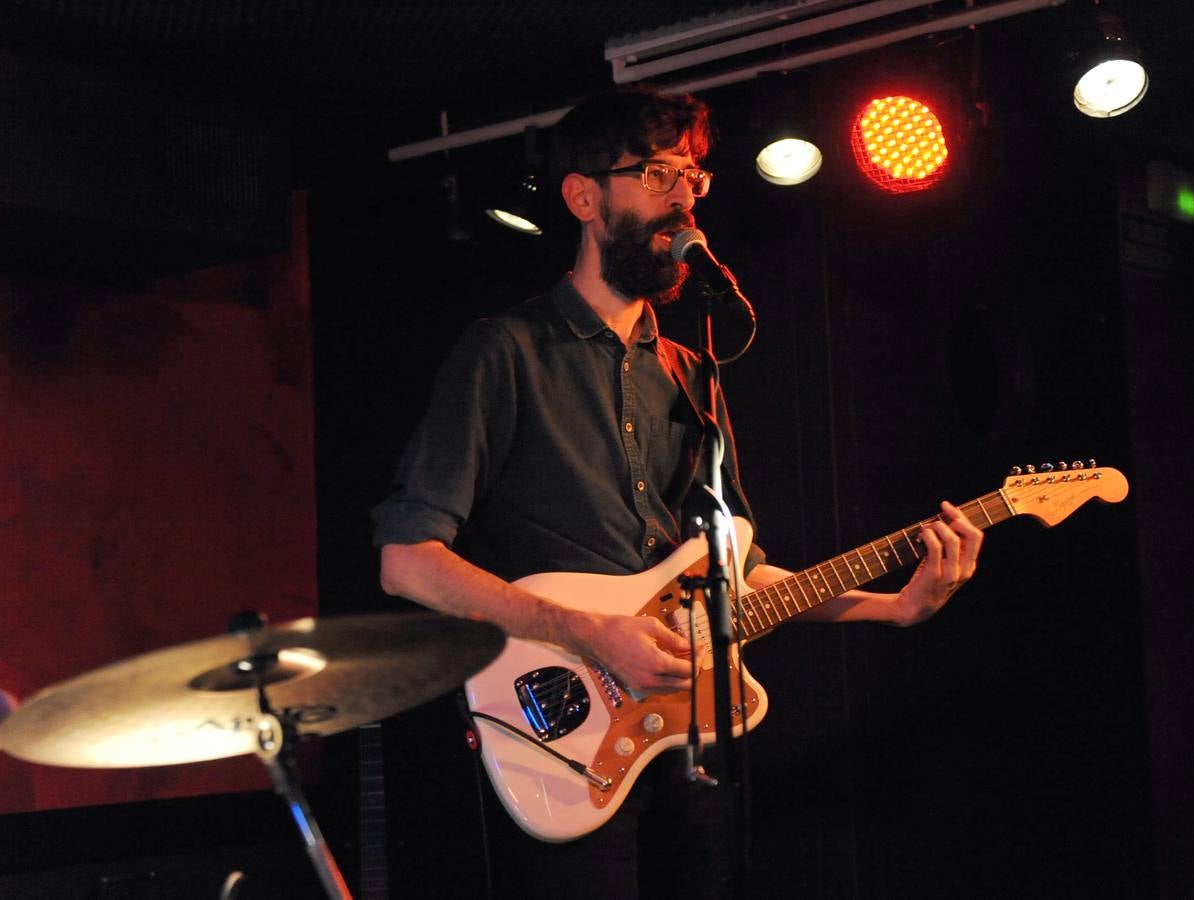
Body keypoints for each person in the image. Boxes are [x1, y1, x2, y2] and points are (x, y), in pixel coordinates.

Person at [372, 88, 984, 900]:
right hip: (556, 721)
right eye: (656, 172)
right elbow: (407, 562)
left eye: (693, 175)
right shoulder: (505, 352)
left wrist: (894, 608)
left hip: (686, 730)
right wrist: (590, 632)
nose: (684, 195)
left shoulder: (692, 373)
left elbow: (738, 576)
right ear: (583, 197)